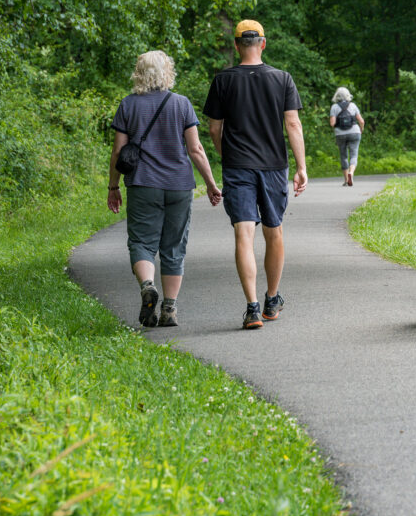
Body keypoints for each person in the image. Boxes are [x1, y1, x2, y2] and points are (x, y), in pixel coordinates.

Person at [204, 20, 308, 330]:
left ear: (236, 46)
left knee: (243, 233)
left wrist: (227, 155)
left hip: (238, 167)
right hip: (274, 166)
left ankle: (251, 308)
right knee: (274, 230)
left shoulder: (223, 80)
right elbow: (293, 125)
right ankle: (271, 300)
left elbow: (213, 128)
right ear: (263, 44)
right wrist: (301, 167)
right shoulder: (282, 79)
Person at [107, 50, 222, 328]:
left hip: (142, 184)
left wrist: (113, 185)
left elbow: (118, 151)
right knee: (174, 247)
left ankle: (148, 286)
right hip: (178, 185)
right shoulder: (181, 104)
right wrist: (210, 183)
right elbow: (195, 149)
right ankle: (169, 309)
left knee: (141, 242)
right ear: (167, 72)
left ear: (139, 73)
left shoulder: (128, 105)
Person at [329, 87, 365, 186]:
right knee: (354, 155)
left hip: (340, 134)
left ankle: (346, 180)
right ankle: (351, 173)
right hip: (354, 132)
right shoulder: (353, 105)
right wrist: (361, 129)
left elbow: (332, 123)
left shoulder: (334, 107)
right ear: (348, 95)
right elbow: (361, 121)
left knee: (343, 156)